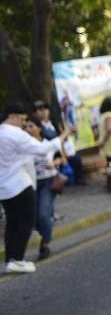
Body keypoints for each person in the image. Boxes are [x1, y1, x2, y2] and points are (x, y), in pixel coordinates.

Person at [1, 102, 68, 273]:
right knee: (26, 221)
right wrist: (62, 136)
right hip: (21, 184)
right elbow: (42, 149)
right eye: (22, 119)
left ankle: (10, 260)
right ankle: (18, 259)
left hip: (4, 187)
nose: (23, 124)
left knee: (12, 224)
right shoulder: (15, 134)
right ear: (12, 116)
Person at [25, 117, 63, 261]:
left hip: (48, 182)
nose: (27, 130)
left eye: (31, 126)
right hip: (31, 184)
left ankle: (45, 244)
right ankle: (47, 231)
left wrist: (54, 163)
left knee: (43, 214)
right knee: (34, 218)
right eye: (25, 127)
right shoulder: (24, 145)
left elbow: (61, 158)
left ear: (39, 128)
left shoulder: (48, 143)